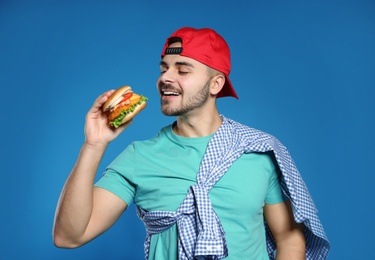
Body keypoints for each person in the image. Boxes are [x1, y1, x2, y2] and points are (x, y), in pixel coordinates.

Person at [53, 27, 330, 259]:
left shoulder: (258, 150)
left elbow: (289, 238)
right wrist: (93, 145)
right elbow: (69, 236)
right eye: (164, 68)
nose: (165, 78)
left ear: (215, 84)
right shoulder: (139, 157)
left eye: (182, 70)